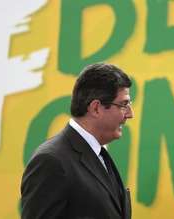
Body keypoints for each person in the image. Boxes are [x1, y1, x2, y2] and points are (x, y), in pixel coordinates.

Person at [21, 63, 134, 219]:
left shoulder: (100, 153)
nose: (130, 114)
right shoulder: (50, 161)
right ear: (96, 108)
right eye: (123, 105)